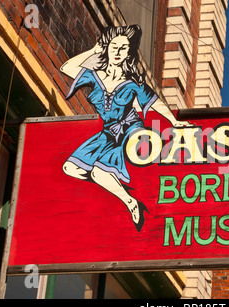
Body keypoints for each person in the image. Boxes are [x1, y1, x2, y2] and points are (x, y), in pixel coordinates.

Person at [60, 25, 192, 232]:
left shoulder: (132, 81)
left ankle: (129, 202)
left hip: (130, 130)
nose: (118, 51)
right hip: (107, 133)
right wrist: (95, 49)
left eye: (124, 48)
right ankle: (124, 193)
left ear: (128, 52)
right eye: (114, 46)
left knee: (97, 172)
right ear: (108, 47)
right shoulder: (94, 76)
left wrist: (174, 122)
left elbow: (155, 102)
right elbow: (66, 67)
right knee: (70, 168)